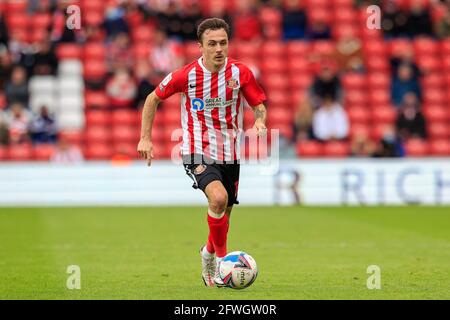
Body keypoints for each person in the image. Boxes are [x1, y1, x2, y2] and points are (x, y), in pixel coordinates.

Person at [137, 18, 267, 287]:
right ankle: (221, 263)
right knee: (218, 198)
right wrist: (145, 138)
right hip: (197, 150)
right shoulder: (185, 75)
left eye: (223, 42)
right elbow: (152, 99)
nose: (219, 48)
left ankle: (207, 253)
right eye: (212, 44)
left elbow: (259, 104)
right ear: (200, 47)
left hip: (230, 153)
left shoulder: (240, 73)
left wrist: (260, 120)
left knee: (224, 214)